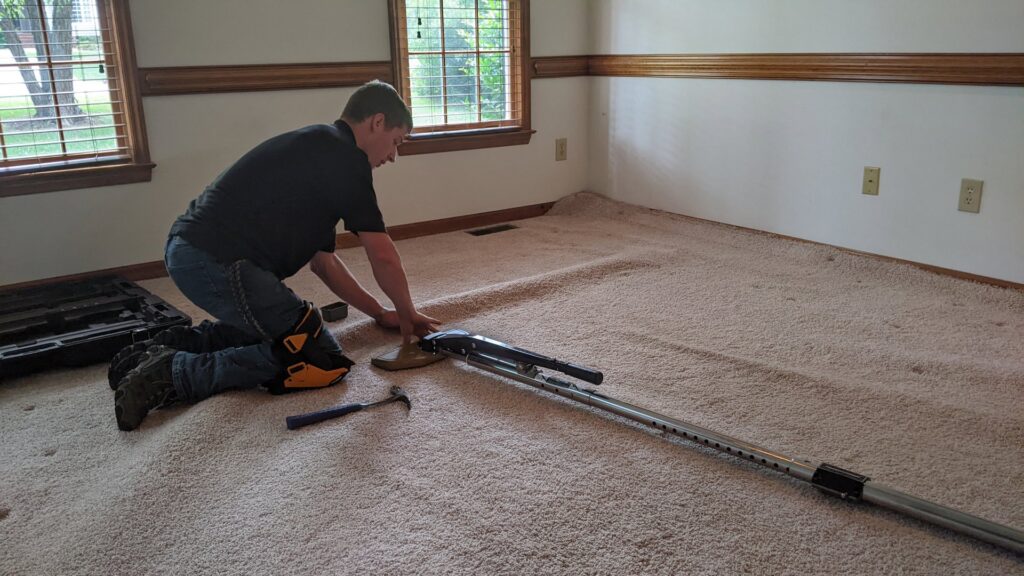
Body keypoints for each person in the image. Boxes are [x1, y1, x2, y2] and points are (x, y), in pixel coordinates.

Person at [108, 80, 439, 431]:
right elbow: (382, 254)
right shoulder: (347, 160)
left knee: (291, 329)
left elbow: (324, 263)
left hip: (189, 252)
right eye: (396, 141)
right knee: (320, 358)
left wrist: (380, 312)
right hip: (217, 262)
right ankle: (172, 374)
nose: (392, 155)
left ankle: (173, 345)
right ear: (377, 122)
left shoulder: (319, 148)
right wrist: (407, 315)